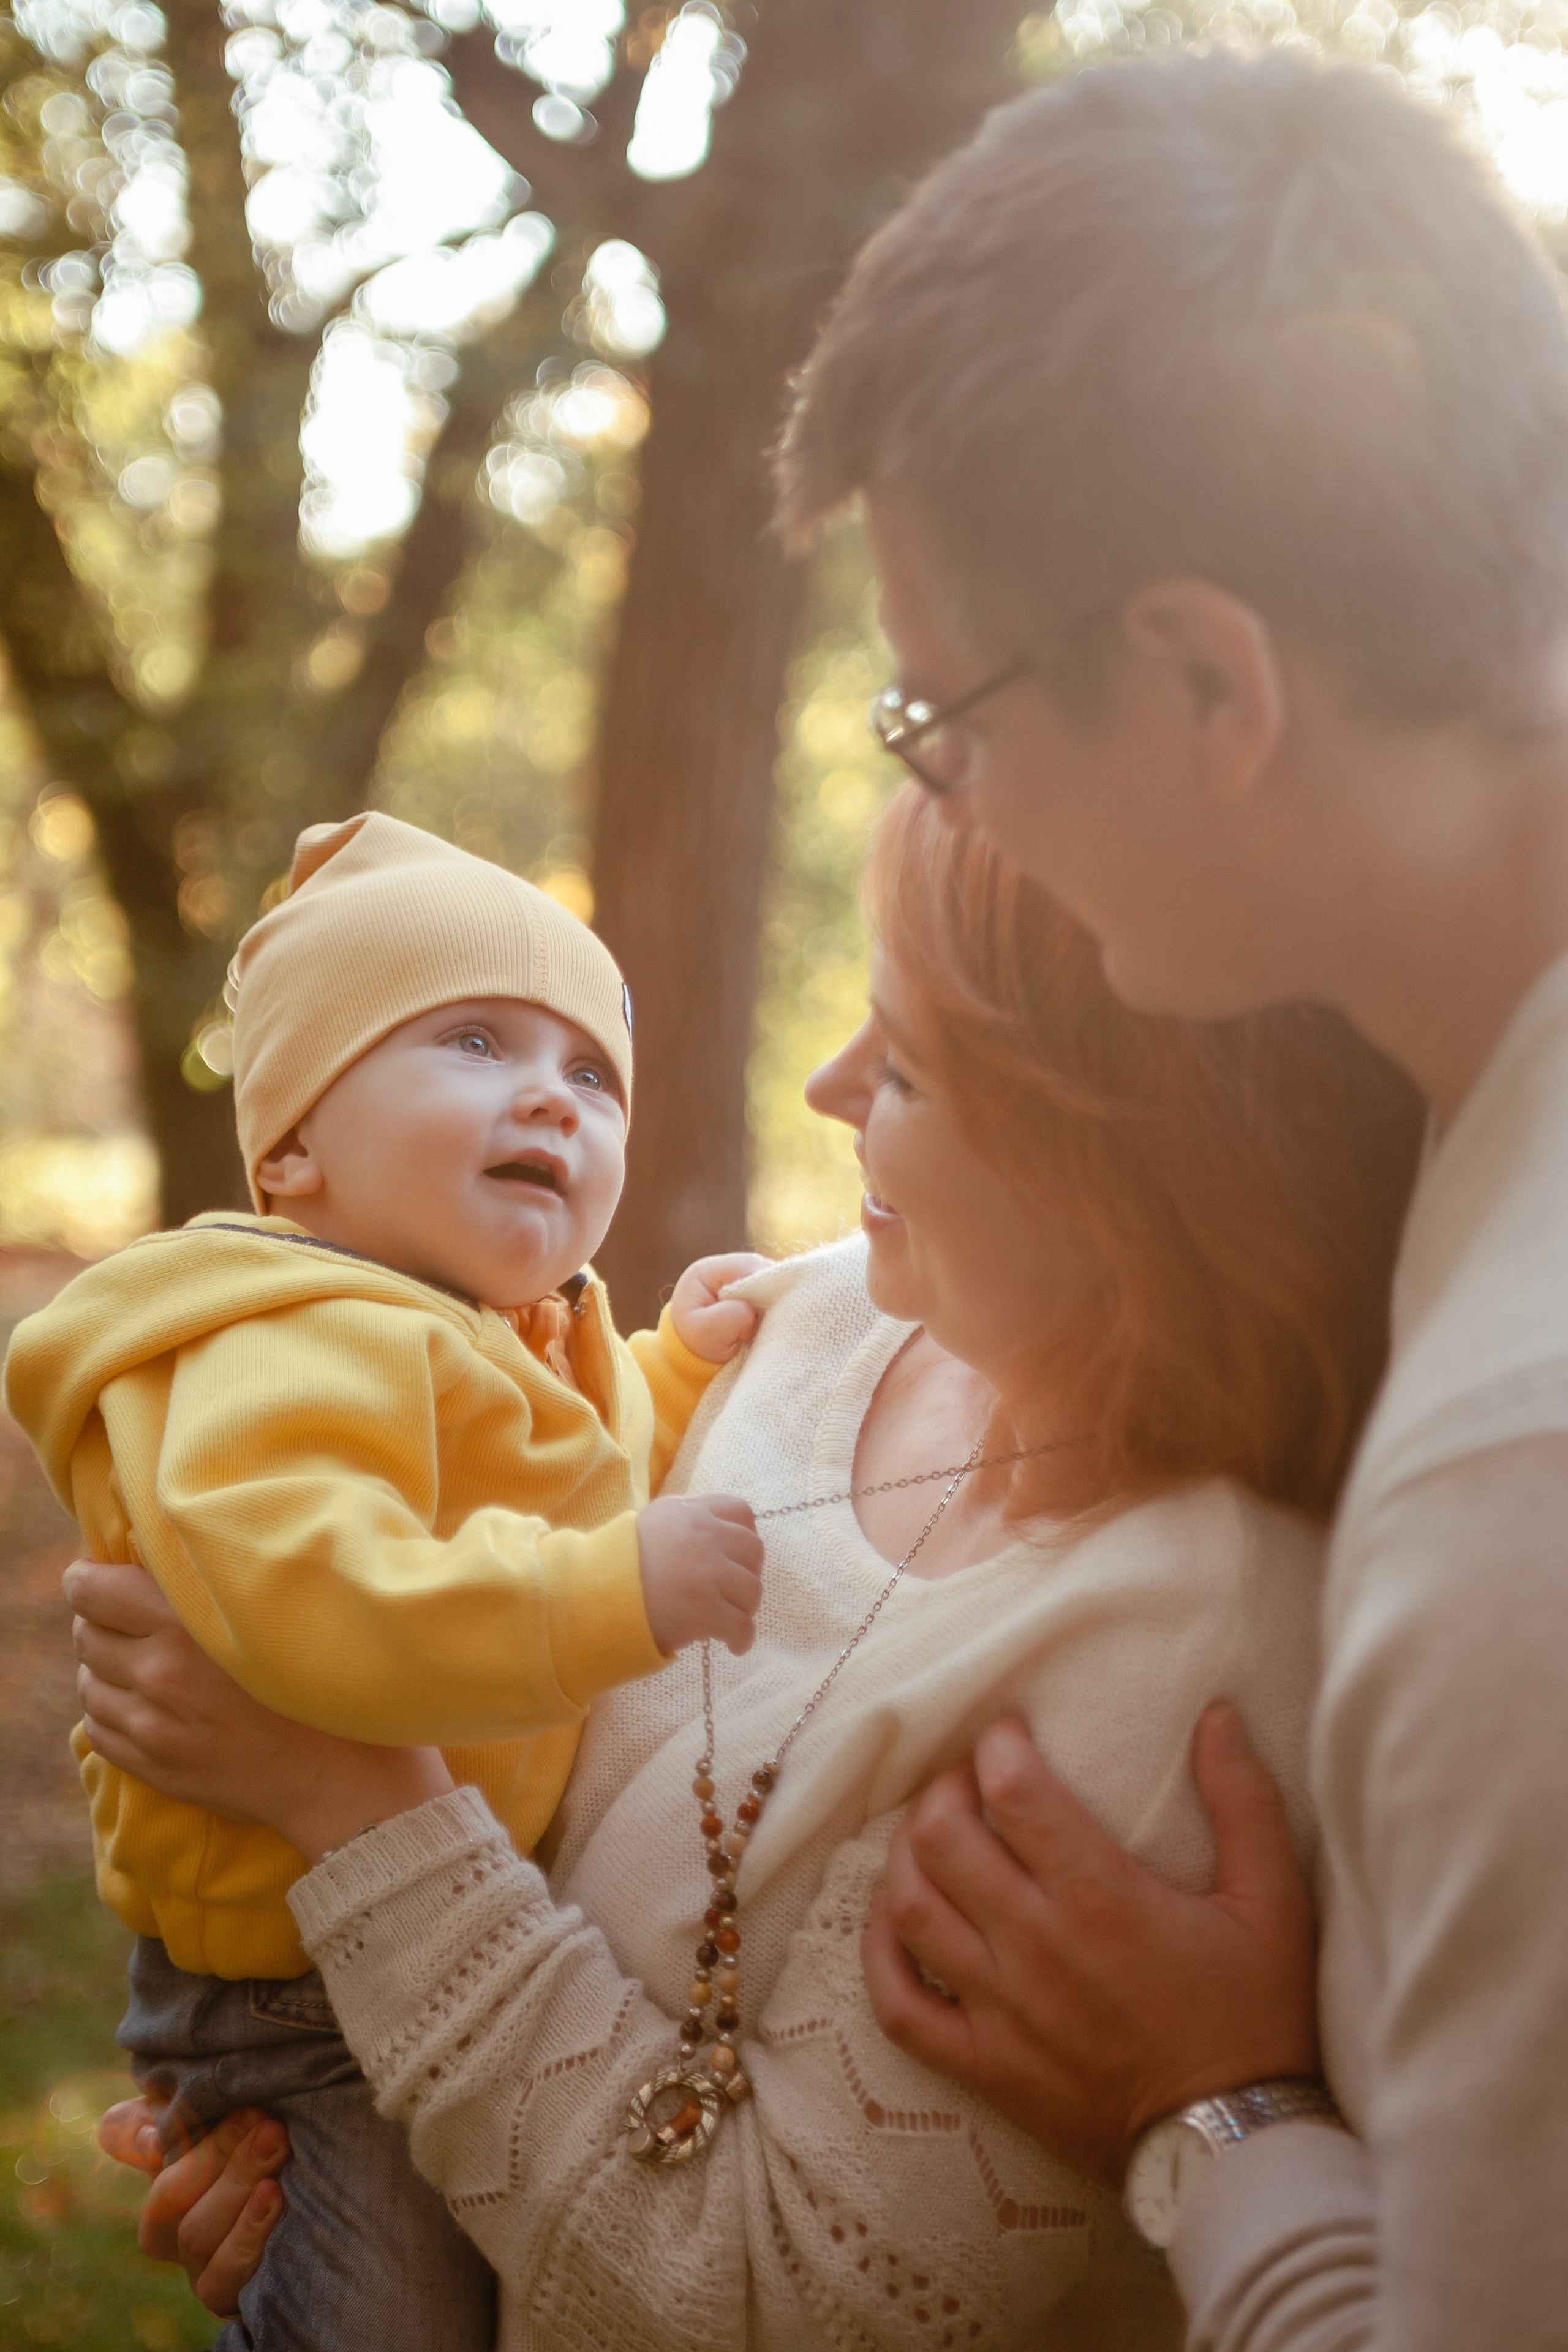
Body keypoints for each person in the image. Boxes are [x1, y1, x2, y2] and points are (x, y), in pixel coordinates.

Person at [64, 787, 1422, 2348]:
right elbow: (532, 1522)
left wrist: (351, 1807)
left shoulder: (1178, 1655)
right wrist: (315, 2151)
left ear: (1132, 1141)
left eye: (906, 1064)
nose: (825, 1086)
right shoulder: (818, 1318)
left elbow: (756, 2301)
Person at [769, 40, 1568, 2351]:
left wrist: (1223, 2113)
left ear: (1213, 683)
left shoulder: (1515, 1488)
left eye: (946, 723)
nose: (954, 806)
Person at [5, 809, 767, 2351]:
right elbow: (316, 1597)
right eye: (475, 1042)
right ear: (292, 1149)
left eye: (592, 1073)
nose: (548, 1094)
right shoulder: (282, 1342)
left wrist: (675, 1372)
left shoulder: (485, 1336)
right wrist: (602, 1596)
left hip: (405, 1929)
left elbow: (555, 1463)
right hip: (295, 1991)